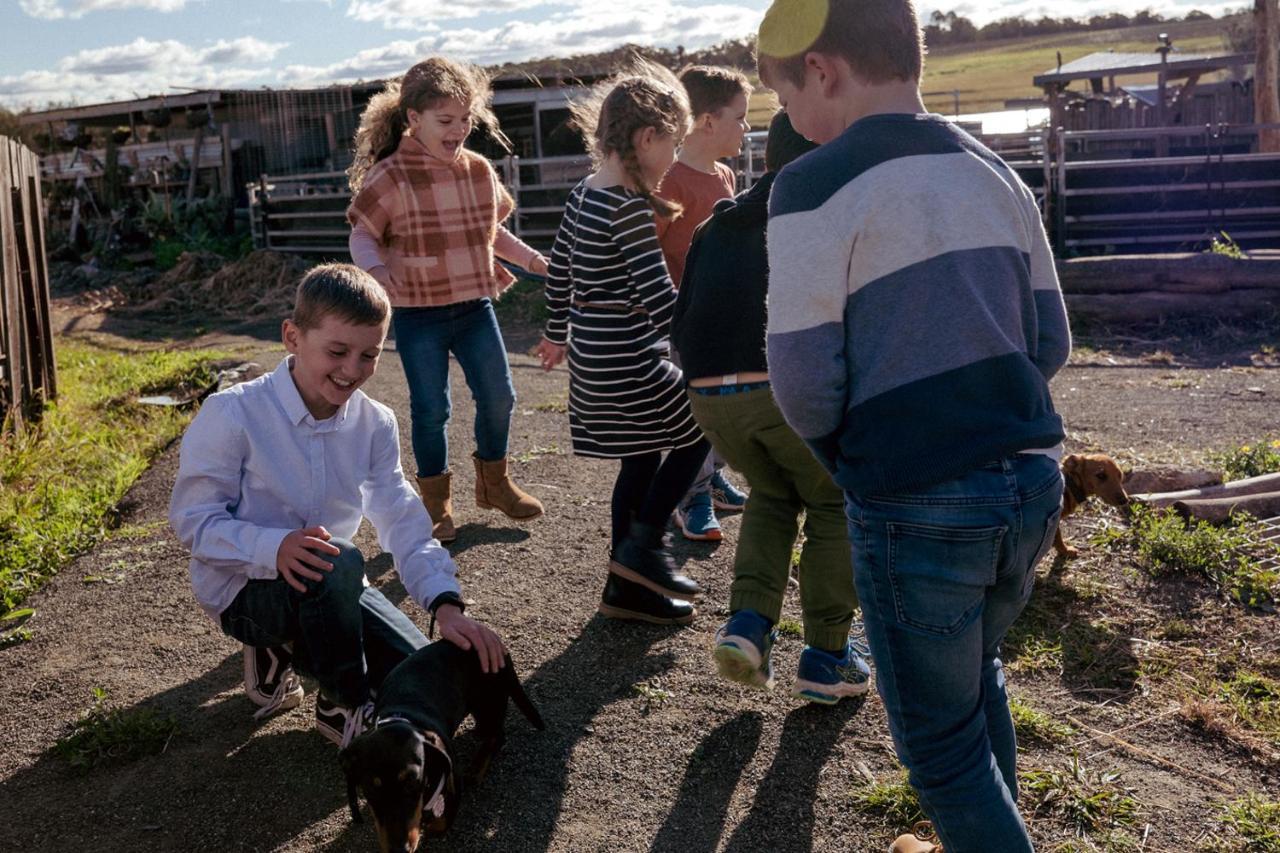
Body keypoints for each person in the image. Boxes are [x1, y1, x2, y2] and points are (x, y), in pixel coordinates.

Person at [756, 0, 1071, 850]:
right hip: (1033, 482)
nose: (790, 119)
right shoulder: (989, 166)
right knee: (974, 684)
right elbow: (1052, 338)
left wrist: (851, 455)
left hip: (916, 500)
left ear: (820, 69)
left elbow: (802, 378)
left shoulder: (812, 184)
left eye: (785, 98)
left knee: (939, 752)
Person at [169, 264, 507, 749]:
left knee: (420, 670)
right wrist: (274, 547)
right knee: (338, 562)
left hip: (333, 589)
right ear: (293, 336)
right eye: (337, 351)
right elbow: (193, 523)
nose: (352, 370)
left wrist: (446, 604)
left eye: (369, 355)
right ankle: (342, 701)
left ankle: (300, 654)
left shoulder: (374, 423)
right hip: (245, 592)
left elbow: (400, 515)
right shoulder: (232, 413)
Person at [671, 109, 871, 705]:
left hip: (709, 397)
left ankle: (749, 626)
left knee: (775, 495)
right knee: (834, 501)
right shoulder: (813, 216)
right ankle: (828, 655)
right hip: (774, 387)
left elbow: (682, 321)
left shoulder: (717, 222)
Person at [535, 60, 711, 625]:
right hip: (630, 354)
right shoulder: (629, 206)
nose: (677, 156)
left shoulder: (587, 192)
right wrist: (703, 347)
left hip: (594, 353)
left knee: (639, 459)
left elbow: (558, 266)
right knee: (699, 428)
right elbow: (660, 295)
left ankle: (625, 588)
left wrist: (555, 332)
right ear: (646, 138)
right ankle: (644, 546)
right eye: (676, 143)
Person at [346, 56, 546, 545]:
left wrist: (535, 261)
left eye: (465, 120)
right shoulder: (392, 176)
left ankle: (493, 484)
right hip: (419, 314)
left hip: (474, 306)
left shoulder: (478, 170)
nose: (459, 130)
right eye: (446, 121)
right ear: (413, 119)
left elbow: (491, 233)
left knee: (500, 396)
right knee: (431, 408)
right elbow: (362, 234)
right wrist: (376, 271)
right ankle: (436, 504)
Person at [656, 65, 754, 542]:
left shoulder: (725, 175)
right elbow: (648, 254)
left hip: (718, 314)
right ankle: (690, 495)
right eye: (740, 117)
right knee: (691, 408)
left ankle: (709, 477)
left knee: (716, 402)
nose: (746, 127)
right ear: (708, 122)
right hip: (679, 317)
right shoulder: (667, 183)